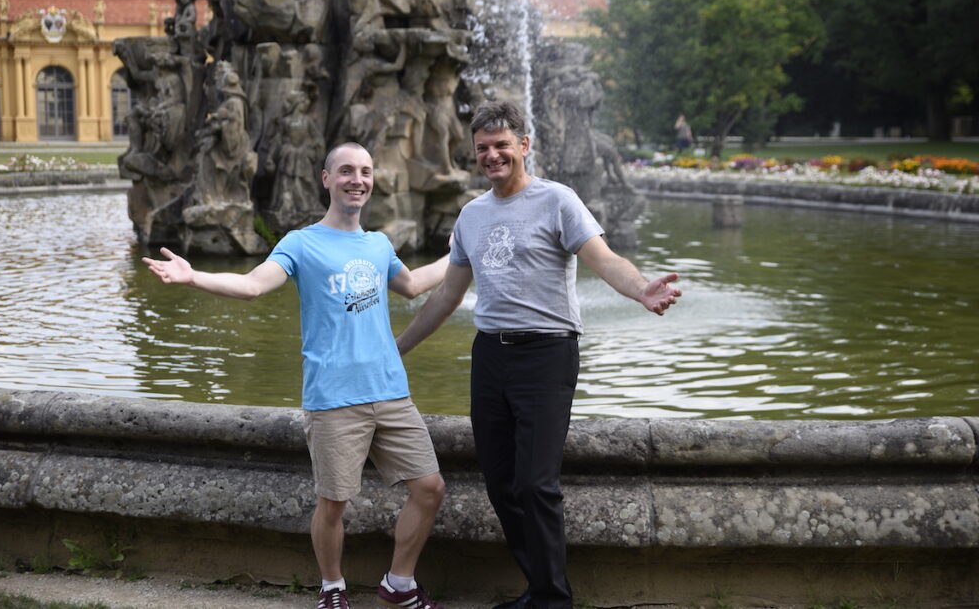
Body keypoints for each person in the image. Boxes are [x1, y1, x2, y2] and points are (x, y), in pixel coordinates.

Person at [396, 101, 682, 609]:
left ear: (524, 146)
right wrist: (396, 350)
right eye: (483, 148)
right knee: (501, 481)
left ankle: (552, 599)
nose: (492, 155)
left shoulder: (558, 200)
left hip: (547, 354)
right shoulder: (471, 215)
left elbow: (604, 258)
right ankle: (541, 590)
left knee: (535, 483)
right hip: (490, 355)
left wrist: (640, 289)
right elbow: (446, 296)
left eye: (502, 145)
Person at [144, 143, 449, 609]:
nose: (357, 180)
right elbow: (251, 286)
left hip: (391, 392)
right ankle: (331, 588)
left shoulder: (378, 243)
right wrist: (194, 277)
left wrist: (460, 255)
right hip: (333, 396)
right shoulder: (301, 242)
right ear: (326, 179)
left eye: (365, 172)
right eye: (346, 171)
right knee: (334, 503)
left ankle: (399, 583)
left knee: (430, 489)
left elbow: (410, 285)